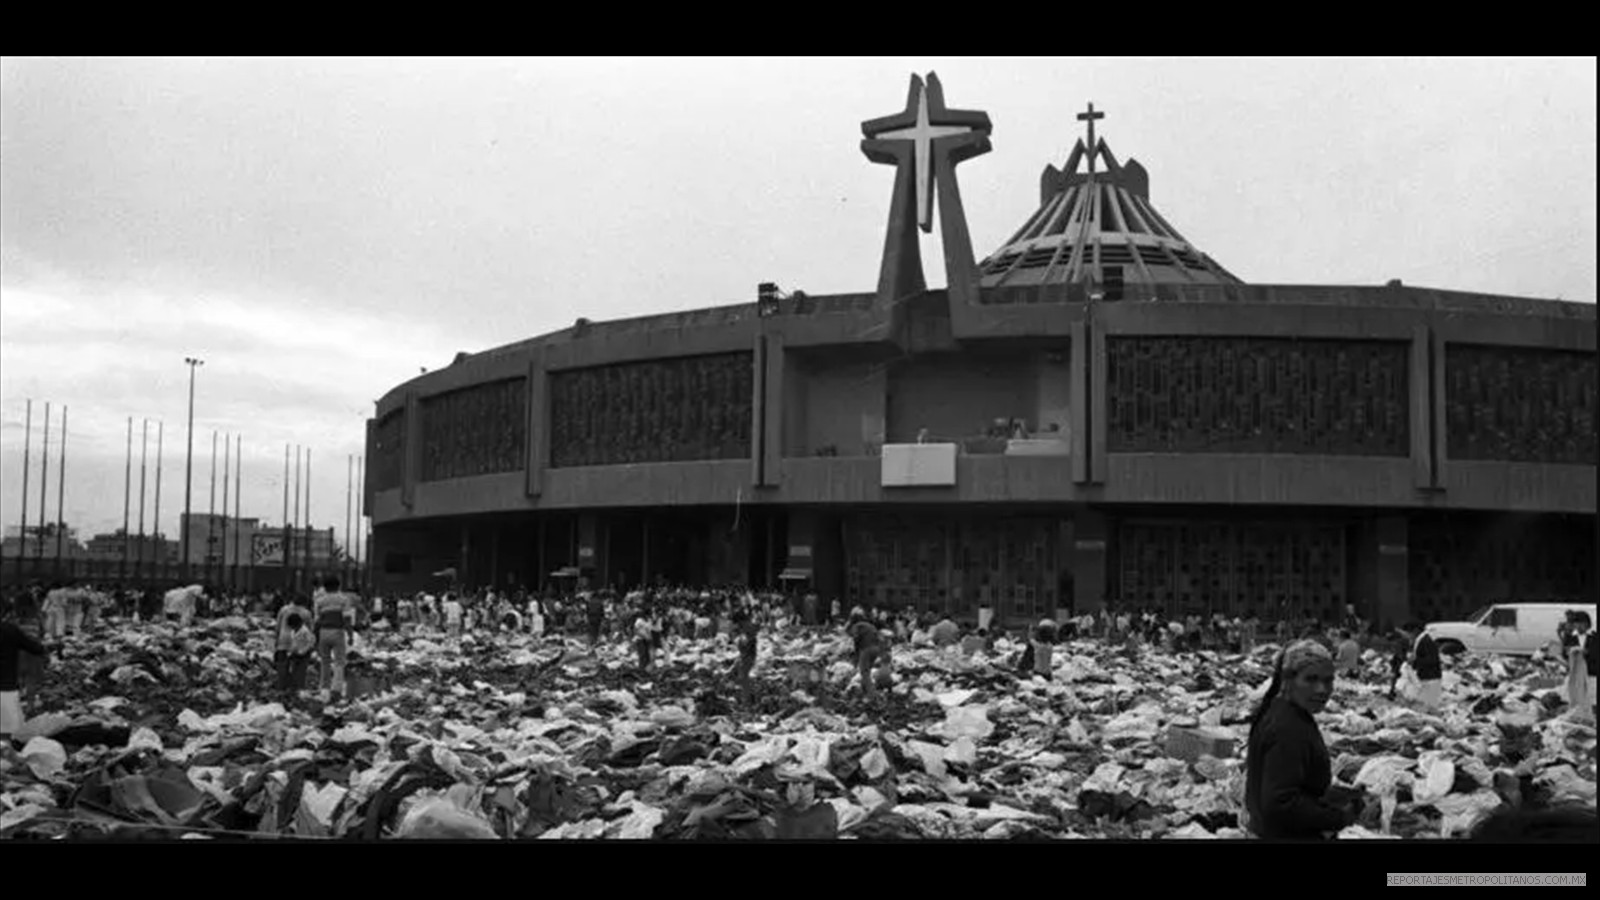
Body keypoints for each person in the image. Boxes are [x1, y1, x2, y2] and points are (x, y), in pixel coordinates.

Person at [1244, 640, 1357, 840]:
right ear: (1289, 680)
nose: (1322, 689)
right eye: (1311, 679)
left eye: (1328, 680)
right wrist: (1339, 818)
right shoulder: (1287, 727)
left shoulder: (1284, 711)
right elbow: (1281, 802)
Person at [2, 606, 51, 743]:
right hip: (6, 684)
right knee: (6, 728)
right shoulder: (10, 629)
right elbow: (34, 647)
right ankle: (5, 755)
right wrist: (46, 649)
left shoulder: (13, 626)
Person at [314, 577, 358, 700]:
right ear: (338, 586)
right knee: (339, 662)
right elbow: (347, 619)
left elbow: (317, 621)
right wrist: (350, 635)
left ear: (325, 587)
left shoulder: (319, 600)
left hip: (323, 632)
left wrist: (316, 638)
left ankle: (324, 688)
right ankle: (336, 689)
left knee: (325, 662)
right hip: (337, 631)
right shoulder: (343, 599)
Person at [847, 609, 887, 699]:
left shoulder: (857, 626)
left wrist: (856, 655)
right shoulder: (870, 625)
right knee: (867, 671)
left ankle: (872, 695)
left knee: (864, 672)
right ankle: (864, 689)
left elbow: (856, 639)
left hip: (867, 649)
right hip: (876, 649)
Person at [274, 595, 312, 690]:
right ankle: (297, 688)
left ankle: (281, 688)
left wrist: (277, 640)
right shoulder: (306, 613)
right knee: (299, 668)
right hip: (298, 643)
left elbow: (278, 627)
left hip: (283, 641)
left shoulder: (283, 609)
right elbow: (309, 630)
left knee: (282, 668)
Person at [1407, 621, 1443, 711]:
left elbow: (1432, 659)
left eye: (1409, 633)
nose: (1408, 635)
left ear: (1415, 631)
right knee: (1426, 707)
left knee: (1431, 707)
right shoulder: (1422, 639)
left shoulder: (1426, 640)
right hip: (1427, 677)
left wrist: (1415, 660)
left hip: (1431, 678)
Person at [279, 612, 314, 694]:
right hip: (295, 653)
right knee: (294, 670)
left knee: (301, 671)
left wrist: (303, 651)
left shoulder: (305, 631)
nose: (293, 628)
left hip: (304, 654)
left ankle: (300, 688)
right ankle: (294, 687)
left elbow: (311, 642)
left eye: (294, 626)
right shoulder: (293, 631)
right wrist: (291, 652)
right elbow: (294, 643)